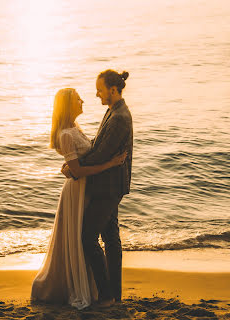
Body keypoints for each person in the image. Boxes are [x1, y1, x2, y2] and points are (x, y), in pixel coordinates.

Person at [30, 87, 127, 310]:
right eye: (77, 99)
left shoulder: (74, 127)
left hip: (88, 188)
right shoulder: (65, 134)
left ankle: (101, 288)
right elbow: (79, 171)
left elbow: (83, 160)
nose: (82, 100)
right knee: (80, 236)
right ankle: (82, 287)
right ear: (68, 105)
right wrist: (110, 164)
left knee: (85, 236)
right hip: (77, 191)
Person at [62, 70, 133, 305]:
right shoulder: (112, 111)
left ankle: (106, 294)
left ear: (113, 90)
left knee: (88, 237)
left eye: (100, 90)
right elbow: (96, 145)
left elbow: (102, 153)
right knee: (111, 238)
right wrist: (73, 164)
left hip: (109, 187)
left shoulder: (120, 117)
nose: (96, 94)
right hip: (108, 185)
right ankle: (113, 295)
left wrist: (74, 168)